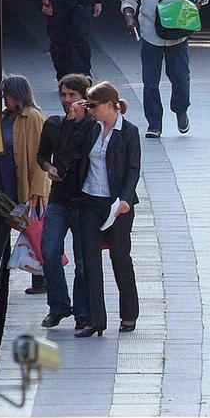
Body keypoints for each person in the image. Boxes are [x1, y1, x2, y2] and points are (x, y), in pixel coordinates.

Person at [121, 0, 209, 138]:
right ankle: (154, 124)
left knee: (180, 78)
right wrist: (129, 16)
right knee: (150, 82)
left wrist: (198, 3)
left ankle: (180, 110)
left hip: (177, 29)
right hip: (150, 30)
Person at [72, 81, 142, 337]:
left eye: (94, 106)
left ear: (111, 105)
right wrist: (75, 119)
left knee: (120, 258)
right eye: (88, 105)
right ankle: (95, 320)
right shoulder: (91, 128)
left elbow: (133, 169)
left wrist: (124, 199)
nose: (90, 110)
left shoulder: (129, 132)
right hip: (90, 199)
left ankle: (129, 315)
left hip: (117, 205)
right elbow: (71, 150)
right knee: (90, 260)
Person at [36, 73, 94, 329]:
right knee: (49, 252)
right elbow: (41, 155)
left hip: (82, 200)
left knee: (82, 259)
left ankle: (82, 312)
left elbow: (75, 153)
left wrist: (75, 123)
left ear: (84, 98)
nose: (67, 100)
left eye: (72, 95)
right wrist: (48, 167)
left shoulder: (92, 126)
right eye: (63, 95)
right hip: (59, 199)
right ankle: (58, 305)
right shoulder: (53, 124)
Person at [0, 74, 52, 294]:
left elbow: (41, 156)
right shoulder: (6, 117)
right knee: (4, 227)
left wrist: (37, 190)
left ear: (17, 95)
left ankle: (41, 279)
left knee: (33, 230)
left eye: (7, 94)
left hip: (23, 184)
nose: (4, 99)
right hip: (3, 180)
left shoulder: (33, 117)